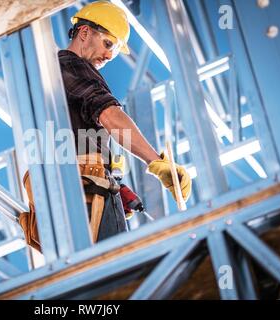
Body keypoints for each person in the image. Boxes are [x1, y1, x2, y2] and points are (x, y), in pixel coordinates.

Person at [20, 1, 191, 249]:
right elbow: (110, 116)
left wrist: (115, 185)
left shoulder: (54, 81)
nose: (110, 55)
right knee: (122, 269)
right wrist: (156, 161)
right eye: (108, 43)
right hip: (85, 197)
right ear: (85, 32)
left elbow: (70, 141)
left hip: (59, 203)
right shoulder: (72, 64)